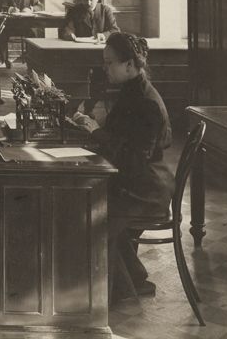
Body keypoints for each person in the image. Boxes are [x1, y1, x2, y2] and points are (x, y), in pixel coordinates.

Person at [71, 33, 173, 301]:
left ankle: (115, 290)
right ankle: (131, 279)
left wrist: (97, 132)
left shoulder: (146, 102)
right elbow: (123, 137)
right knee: (83, 202)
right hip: (138, 182)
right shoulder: (133, 91)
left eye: (109, 62)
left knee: (88, 210)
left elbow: (135, 160)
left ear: (129, 65)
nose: (105, 68)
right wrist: (94, 126)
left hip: (146, 191)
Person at [0, 0, 43, 67]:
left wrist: (31, 9)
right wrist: (10, 9)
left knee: (34, 34)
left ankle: (31, 59)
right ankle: (5, 60)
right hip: (10, 26)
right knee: (1, 34)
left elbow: (40, 6)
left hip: (25, 26)